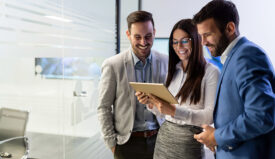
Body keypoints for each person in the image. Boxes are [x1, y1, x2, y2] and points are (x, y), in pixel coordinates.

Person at [192, 1, 275, 159]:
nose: (202, 42)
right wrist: (216, 137)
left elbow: (261, 116)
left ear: (230, 28)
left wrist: (217, 136)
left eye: (207, 35)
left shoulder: (247, 56)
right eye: (200, 36)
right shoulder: (233, 57)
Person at [136, 19, 220, 159]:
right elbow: (165, 113)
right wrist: (152, 104)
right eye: (175, 42)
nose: (178, 46)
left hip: (188, 143)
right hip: (164, 140)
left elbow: (210, 116)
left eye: (184, 40)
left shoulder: (211, 72)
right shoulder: (173, 70)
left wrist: (174, 111)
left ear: (196, 39)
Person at [97, 11, 168, 159]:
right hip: (126, 144)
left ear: (154, 33)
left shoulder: (166, 62)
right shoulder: (113, 65)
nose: (143, 42)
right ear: (128, 35)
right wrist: (112, 145)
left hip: (160, 141)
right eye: (137, 37)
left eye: (148, 36)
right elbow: (103, 107)